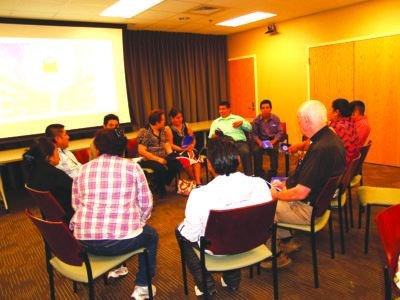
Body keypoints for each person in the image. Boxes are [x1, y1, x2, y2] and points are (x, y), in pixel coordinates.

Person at [175, 137, 272, 296]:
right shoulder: (260, 184)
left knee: (181, 232)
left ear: (209, 165)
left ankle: (205, 284)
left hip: (217, 248)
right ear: (239, 159)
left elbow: (191, 235)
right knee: (234, 228)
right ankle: (232, 279)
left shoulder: (200, 195)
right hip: (251, 242)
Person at [69, 128, 158, 299]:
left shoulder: (82, 170)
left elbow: (76, 205)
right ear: (122, 147)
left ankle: (118, 267)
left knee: (125, 226)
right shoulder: (132, 167)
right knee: (151, 235)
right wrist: (139, 221)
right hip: (120, 243)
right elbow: (147, 204)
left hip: (84, 242)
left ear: (96, 147)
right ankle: (143, 286)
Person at [261, 100, 347, 269]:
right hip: (319, 203)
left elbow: (301, 193)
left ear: (307, 120)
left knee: (263, 207)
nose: (299, 123)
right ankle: (287, 240)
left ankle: (275, 256)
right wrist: (286, 185)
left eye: (299, 120)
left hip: (306, 209)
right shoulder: (329, 136)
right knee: (277, 191)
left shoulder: (319, 149)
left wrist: (276, 195)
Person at [23, 137, 74, 223]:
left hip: (54, 222)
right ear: (48, 157)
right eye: (56, 151)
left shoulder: (33, 173)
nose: (58, 155)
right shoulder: (55, 175)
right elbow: (77, 191)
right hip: (70, 220)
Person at [137, 109, 181, 198]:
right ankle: (161, 191)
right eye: (163, 120)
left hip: (162, 156)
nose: (165, 121)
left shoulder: (162, 130)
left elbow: (166, 144)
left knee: (177, 163)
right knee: (160, 168)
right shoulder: (144, 131)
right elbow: (141, 151)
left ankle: (160, 183)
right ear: (157, 122)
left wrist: (171, 155)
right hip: (147, 159)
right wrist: (158, 159)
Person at [208, 101, 252, 176]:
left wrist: (242, 123)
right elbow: (210, 136)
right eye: (220, 109)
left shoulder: (237, 118)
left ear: (229, 109)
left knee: (245, 152)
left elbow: (249, 128)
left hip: (239, 142)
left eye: (223, 109)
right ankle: (225, 176)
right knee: (222, 154)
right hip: (225, 144)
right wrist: (216, 135)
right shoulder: (216, 122)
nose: (221, 111)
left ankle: (249, 175)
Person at [165, 107, 203, 186]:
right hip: (178, 150)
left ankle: (198, 181)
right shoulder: (168, 128)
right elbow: (170, 144)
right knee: (186, 159)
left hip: (188, 148)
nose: (180, 119)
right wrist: (182, 149)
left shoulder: (186, 125)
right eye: (177, 118)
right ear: (171, 118)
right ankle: (194, 179)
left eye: (181, 117)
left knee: (195, 157)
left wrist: (192, 145)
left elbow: (193, 138)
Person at [251, 99, 284, 181]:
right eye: (263, 108)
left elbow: (280, 131)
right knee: (256, 151)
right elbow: (254, 134)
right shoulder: (257, 120)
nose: (265, 110)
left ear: (271, 109)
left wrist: (274, 141)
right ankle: (259, 174)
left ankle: (272, 174)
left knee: (274, 151)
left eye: (267, 107)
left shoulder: (276, 119)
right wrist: (259, 142)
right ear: (261, 109)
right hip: (260, 140)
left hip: (272, 140)